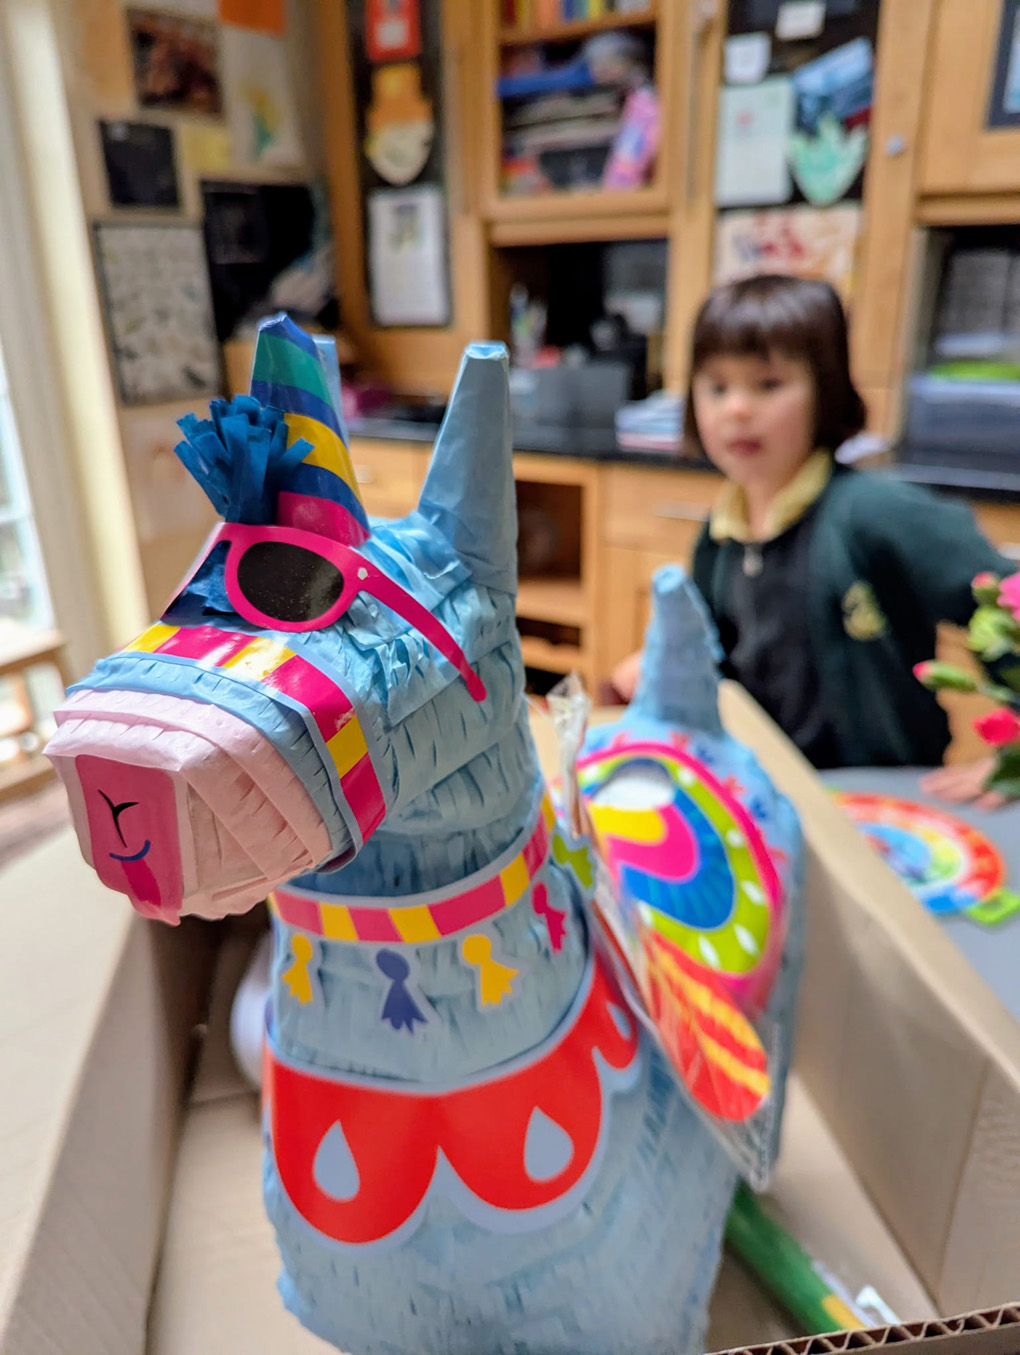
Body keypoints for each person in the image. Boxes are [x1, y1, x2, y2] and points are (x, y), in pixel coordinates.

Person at [611, 274, 1011, 808]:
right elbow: (719, 661)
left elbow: (1006, 603)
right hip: (771, 797)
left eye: (768, 384)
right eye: (717, 387)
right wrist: (664, 664)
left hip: (883, 804)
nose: (736, 409)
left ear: (825, 390)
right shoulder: (717, 537)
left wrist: (1012, 755)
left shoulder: (877, 512)